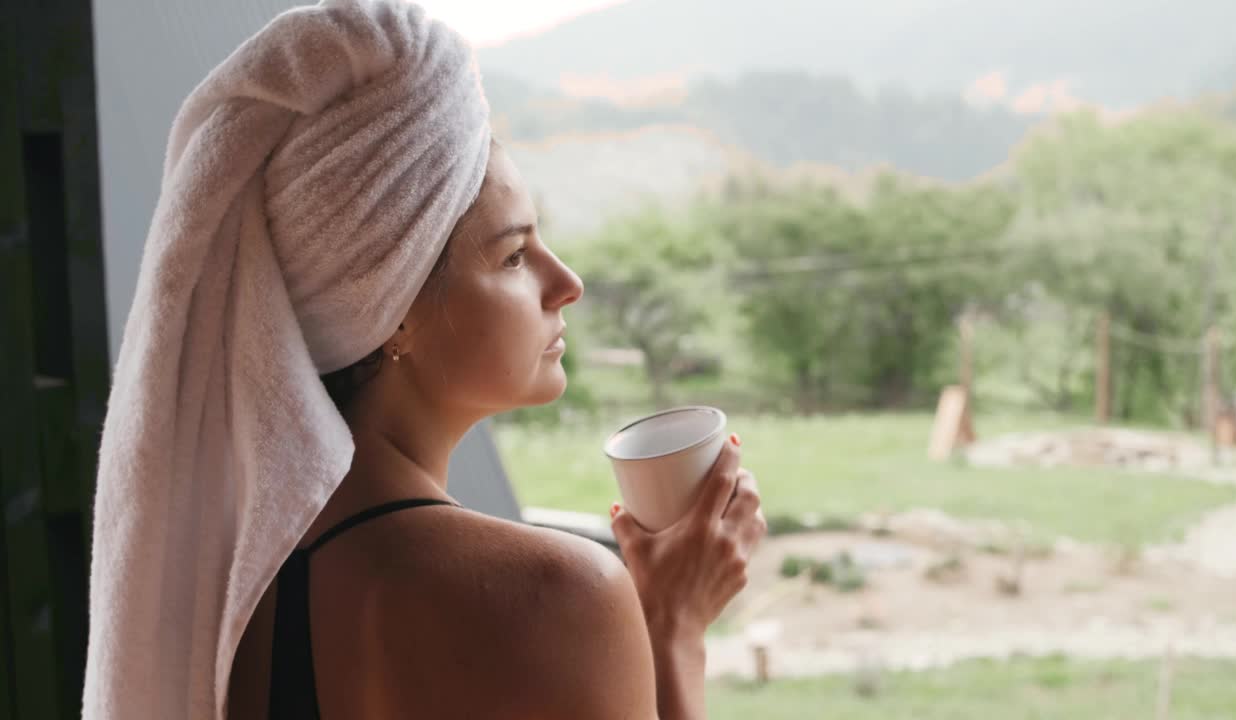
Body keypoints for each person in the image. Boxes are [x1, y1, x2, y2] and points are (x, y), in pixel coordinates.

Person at [83, 1, 766, 718]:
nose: (567, 283)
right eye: (512, 255)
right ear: (391, 306)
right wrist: (673, 629)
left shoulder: (220, 595)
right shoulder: (558, 595)